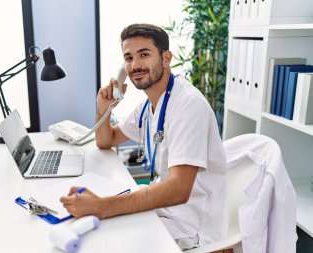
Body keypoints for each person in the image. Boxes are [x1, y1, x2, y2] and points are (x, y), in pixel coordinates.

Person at [60, 23, 226, 250]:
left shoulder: (188, 105)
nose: (135, 65)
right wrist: (103, 110)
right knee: (95, 231)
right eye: (128, 58)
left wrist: (101, 206)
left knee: (104, 241)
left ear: (166, 58)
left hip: (190, 225)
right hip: (164, 210)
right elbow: (105, 141)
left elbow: (179, 190)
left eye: (144, 55)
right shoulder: (149, 104)